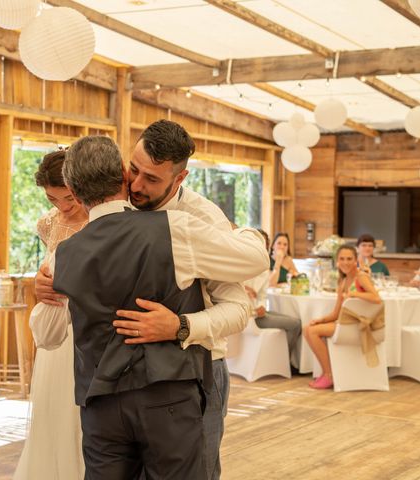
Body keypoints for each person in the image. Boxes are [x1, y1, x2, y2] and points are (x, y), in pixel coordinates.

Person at [35, 119, 261, 480]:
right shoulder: (83, 237)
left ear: (180, 178)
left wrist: (182, 325)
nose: (137, 186)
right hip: (111, 396)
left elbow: (238, 306)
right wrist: (47, 283)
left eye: (152, 179)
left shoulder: (196, 221)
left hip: (191, 371)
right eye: (133, 170)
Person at [13, 150, 88, 480]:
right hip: (54, 332)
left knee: (78, 415)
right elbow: (47, 270)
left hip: (85, 327)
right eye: (52, 198)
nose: (62, 206)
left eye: (68, 198)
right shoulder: (47, 223)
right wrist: (38, 283)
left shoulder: (100, 220)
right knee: (52, 411)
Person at [302, 244, 381, 390]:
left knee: (312, 332)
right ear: (337, 261)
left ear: (356, 260)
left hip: (358, 326)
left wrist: (354, 294)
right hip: (345, 323)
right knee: (307, 328)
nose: (345, 262)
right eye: (342, 259)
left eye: (349, 259)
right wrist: (320, 320)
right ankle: (327, 372)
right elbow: (335, 314)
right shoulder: (343, 282)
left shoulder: (361, 277)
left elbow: (376, 298)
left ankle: (328, 374)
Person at [244, 229, 301, 371]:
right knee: (295, 325)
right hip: (249, 316)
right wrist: (247, 293)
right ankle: (283, 363)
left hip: (260, 312)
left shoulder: (263, 268)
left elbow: (262, 295)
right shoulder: (242, 265)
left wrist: (261, 306)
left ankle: (284, 361)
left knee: (296, 321)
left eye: (263, 243)